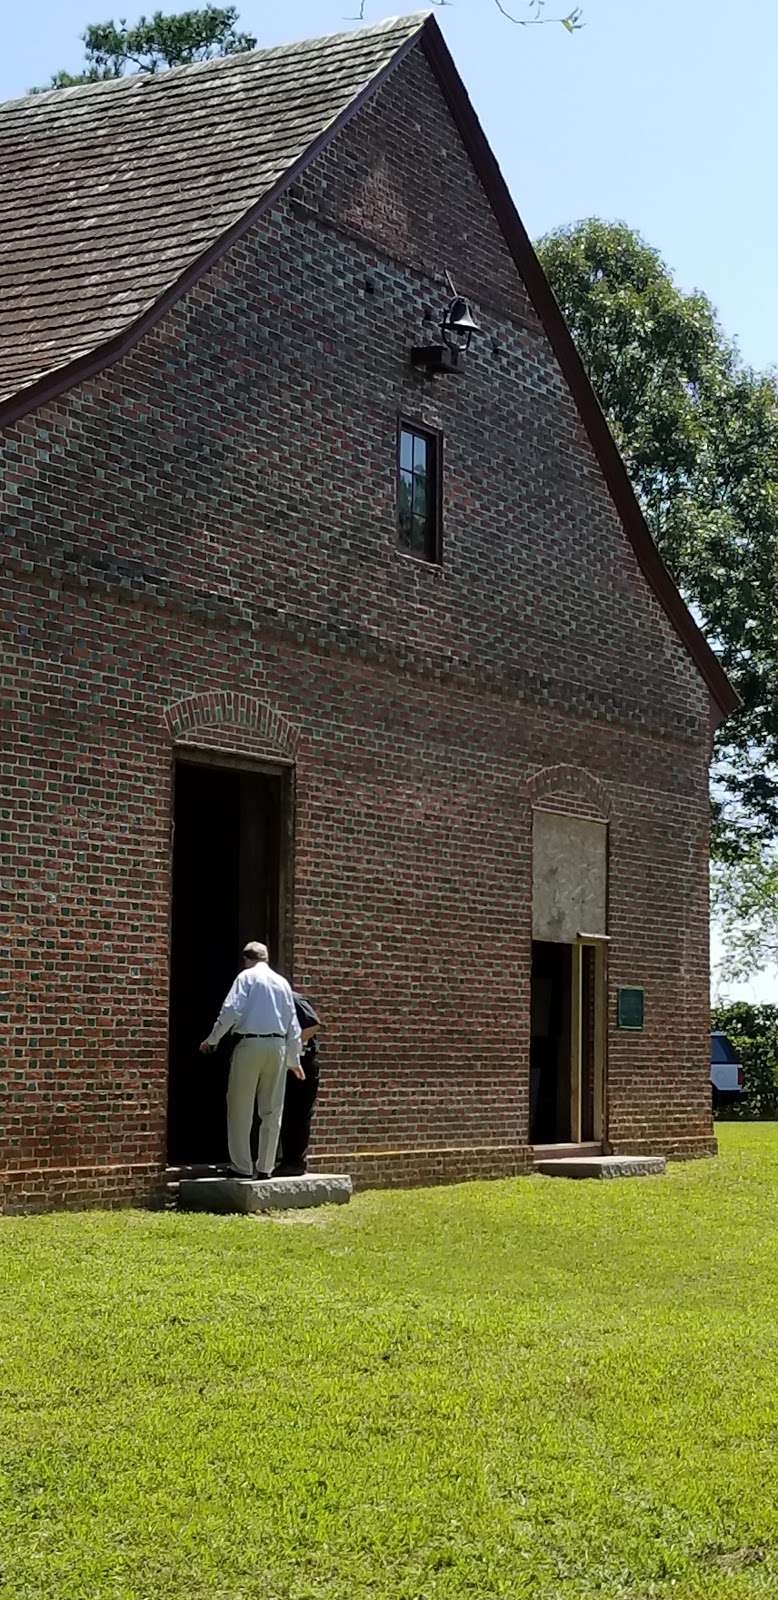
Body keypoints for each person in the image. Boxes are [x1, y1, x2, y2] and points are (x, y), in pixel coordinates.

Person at [199, 941, 303, 1179]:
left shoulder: (245, 977)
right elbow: (292, 1023)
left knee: (240, 1107)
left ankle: (242, 1166)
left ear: (246, 958)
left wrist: (213, 1039)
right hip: (277, 1045)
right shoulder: (282, 983)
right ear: (266, 958)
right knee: (272, 1110)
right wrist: (293, 1058)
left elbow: (231, 1010)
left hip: (249, 1042)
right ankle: (266, 1167)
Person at [274, 990, 321, 1176]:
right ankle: (287, 1160)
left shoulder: (293, 999)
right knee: (287, 1113)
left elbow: (314, 1024)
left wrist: (290, 1043)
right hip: (288, 1065)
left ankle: (295, 1163)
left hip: (304, 1064)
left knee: (298, 1114)